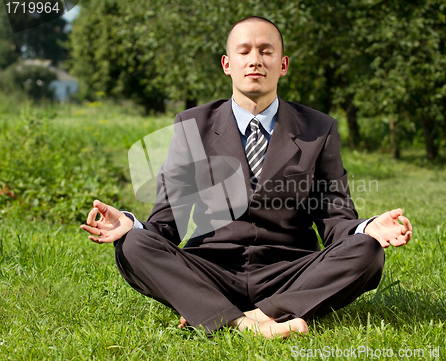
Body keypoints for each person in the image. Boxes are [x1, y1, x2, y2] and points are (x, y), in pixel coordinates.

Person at [81, 16, 412, 339]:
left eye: (266, 51)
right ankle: (249, 325)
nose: (255, 60)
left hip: (290, 271)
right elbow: (168, 223)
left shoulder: (318, 129)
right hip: (211, 271)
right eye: (244, 51)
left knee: (367, 251)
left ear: (282, 64)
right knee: (134, 245)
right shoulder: (192, 125)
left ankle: (238, 313)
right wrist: (130, 224)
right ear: (227, 64)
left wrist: (365, 229)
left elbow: (335, 221)